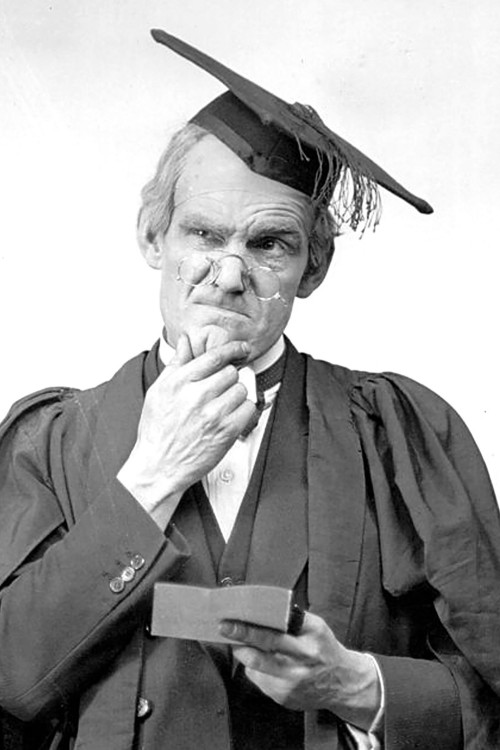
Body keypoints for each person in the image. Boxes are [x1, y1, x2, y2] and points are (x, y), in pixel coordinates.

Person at [0, 28, 499, 750]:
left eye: (269, 244)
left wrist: (358, 686)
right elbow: (8, 679)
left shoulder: (401, 435)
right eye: (203, 235)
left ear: (313, 267)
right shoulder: (50, 443)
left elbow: (489, 691)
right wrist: (152, 476)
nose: (230, 275)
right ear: (153, 238)